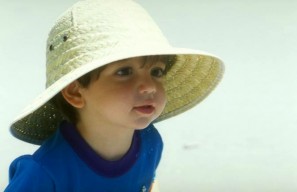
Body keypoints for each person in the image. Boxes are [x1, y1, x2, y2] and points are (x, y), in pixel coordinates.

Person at [5, 0, 224, 191]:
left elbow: (147, 184)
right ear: (75, 91)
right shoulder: (45, 172)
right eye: (124, 72)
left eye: (156, 72)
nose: (149, 86)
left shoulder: (150, 142)